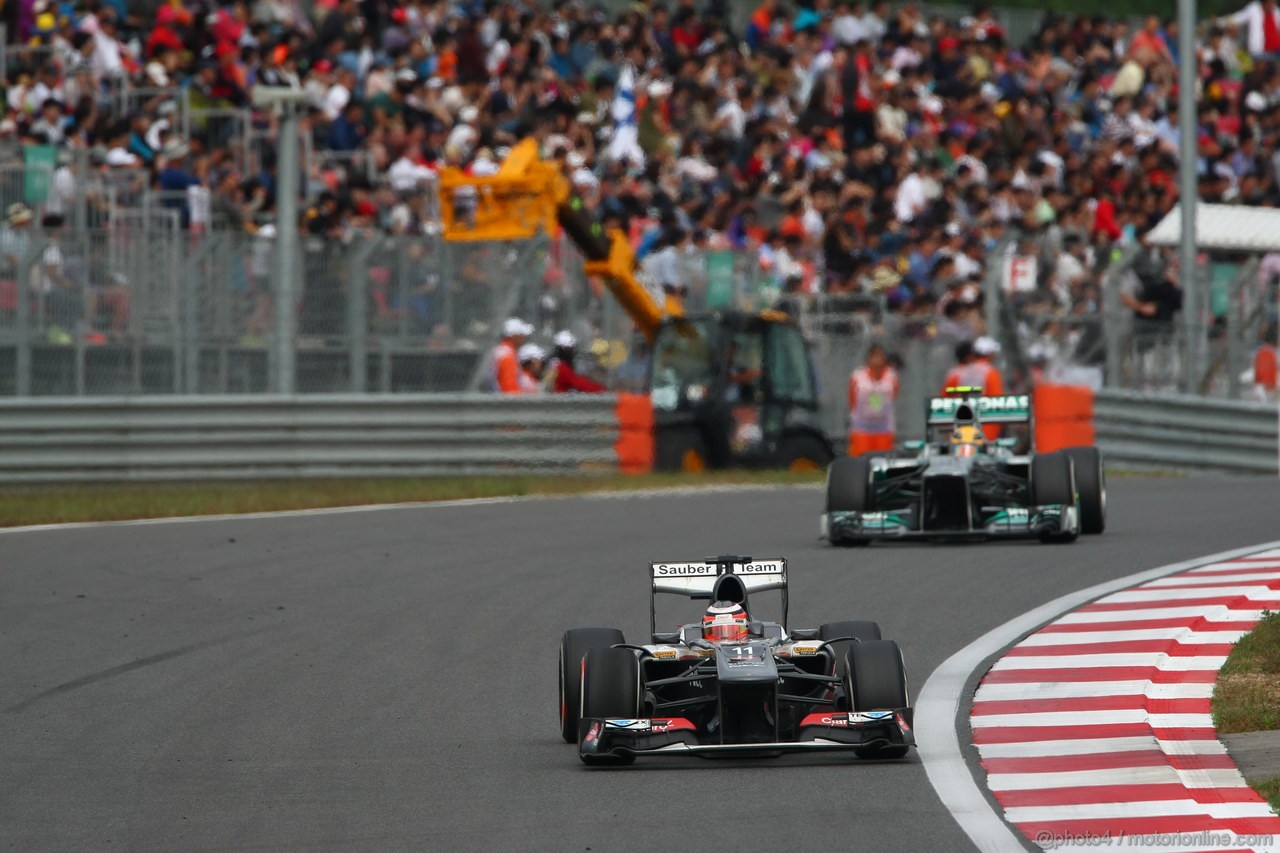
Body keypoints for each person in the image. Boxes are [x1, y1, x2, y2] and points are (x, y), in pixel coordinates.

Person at [847, 342, 899, 457]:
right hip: (862, 429)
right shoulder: (858, 377)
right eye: (874, 355)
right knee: (860, 461)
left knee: (883, 461)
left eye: (880, 356)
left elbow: (894, 396)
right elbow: (852, 400)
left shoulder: (892, 376)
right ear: (869, 358)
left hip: (883, 428)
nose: (877, 359)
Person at [485, 317, 532, 393]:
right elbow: (509, 386)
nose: (524, 338)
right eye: (522, 334)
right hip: (505, 401)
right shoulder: (508, 355)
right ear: (514, 335)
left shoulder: (502, 350)